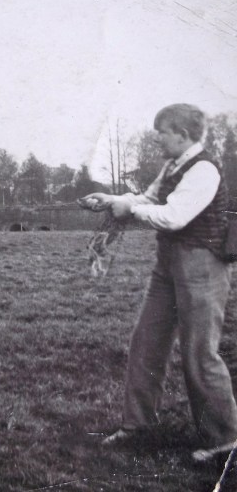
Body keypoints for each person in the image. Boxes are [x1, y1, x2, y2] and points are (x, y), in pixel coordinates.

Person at [79, 103, 237, 463]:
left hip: (203, 265)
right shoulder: (172, 166)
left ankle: (225, 439)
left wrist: (130, 209)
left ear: (183, 134)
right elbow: (149, 200)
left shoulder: (204, 170)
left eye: (163, 132)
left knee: (200, 353)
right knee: (146, 342)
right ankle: (137, 426)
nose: (158, 138)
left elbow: (174, 216)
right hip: (168, 264)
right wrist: (113, 200)